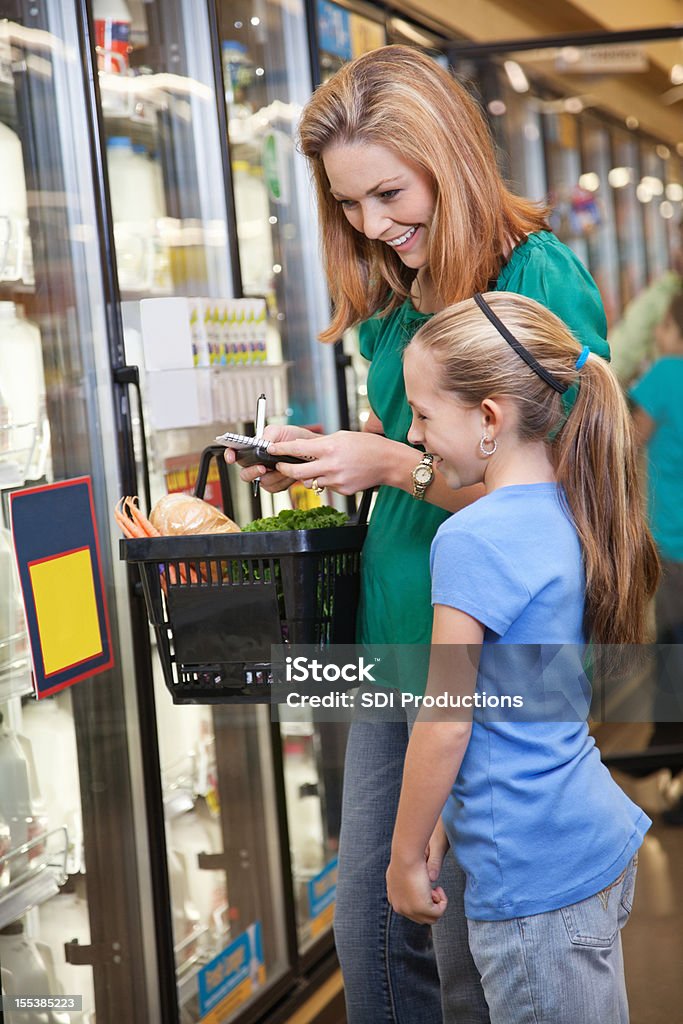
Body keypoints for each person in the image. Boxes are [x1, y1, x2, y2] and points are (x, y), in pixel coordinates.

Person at [226, 45, 609, 1024]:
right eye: (347, 205)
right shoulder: (395, 304)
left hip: (483, 660)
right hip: (390, 640)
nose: (372, 224)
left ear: (444, 154)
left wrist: (390, 463)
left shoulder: (533, 278)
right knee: (377, 941)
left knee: (470, 956)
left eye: (388, 192)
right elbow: (415, 451)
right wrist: (327, 455)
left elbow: (556, 501)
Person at [387, 292, 659, 1024]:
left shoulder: (472, 537)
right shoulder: (570, 508)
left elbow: (445, 721)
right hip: (581, 832)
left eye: (421, 414)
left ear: (487, 418)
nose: (414, 437)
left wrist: (405, 855)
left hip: (535, 876)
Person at [629, 291, 683, 817]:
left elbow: (626, 441)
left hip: (674, 547)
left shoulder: (665, 374)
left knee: (674, 654)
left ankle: (665, 754)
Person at [608, 220, 682, 388]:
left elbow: (618, 359)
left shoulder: (664, 374)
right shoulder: (665, 291)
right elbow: (620, 355)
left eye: (667, 326)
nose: (677, 252)